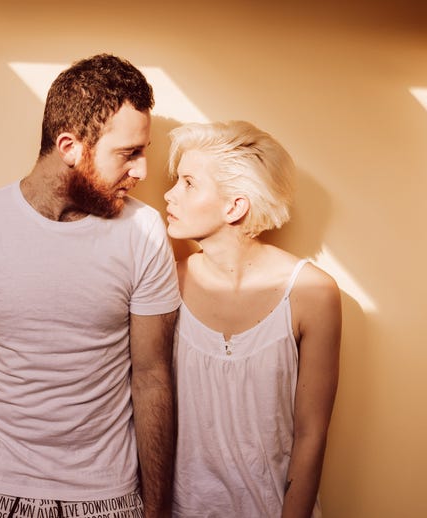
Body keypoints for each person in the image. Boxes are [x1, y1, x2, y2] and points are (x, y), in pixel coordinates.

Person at [0, 54, 180, 518]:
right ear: (70, 147)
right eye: (128, 153)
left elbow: (152, 379)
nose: (143, 171)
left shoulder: (144, 230)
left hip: (111, 495)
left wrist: (157, 512)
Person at [164, 121, 341, 518]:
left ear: (235, 206)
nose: (169, 194)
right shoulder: (166, 284)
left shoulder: (312, 292)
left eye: (189, 183)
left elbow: (311, 435)